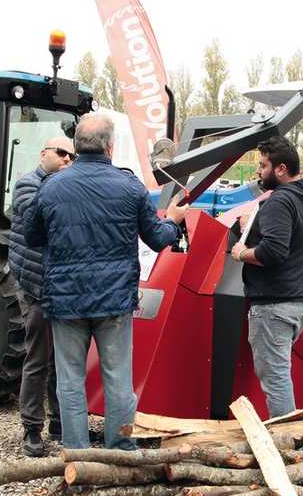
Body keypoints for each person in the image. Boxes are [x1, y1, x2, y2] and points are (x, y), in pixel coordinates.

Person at [23, 113, 188, 450]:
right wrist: (172, 220)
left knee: (69, 380)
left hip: (66, 301)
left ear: (77, 147)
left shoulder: (51, 186)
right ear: (111, 147)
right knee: (118, 379)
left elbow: (32, 235)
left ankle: (78, 456)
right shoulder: (130, 187)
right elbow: (158, 239)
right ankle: (121, 450)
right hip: (114, 302)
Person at [230, 136, 303, 419]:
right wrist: (254, 224)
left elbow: (273, 251)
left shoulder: (280, 201)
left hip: (273, 305)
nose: (258, 171)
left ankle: (285, 444)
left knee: (276, 378)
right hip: (298, 300)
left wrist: (241, 252)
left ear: (281, 169)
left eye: (263, 165)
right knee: (279, 373)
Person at [9, 136, 74, 457]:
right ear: (44, 153)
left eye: (72, 156)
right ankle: (31, 428)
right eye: (61, 153)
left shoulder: (61, 185)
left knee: (61, 360)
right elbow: (44, 218)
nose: (67, 159)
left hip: (60, 287)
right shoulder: (26, 186)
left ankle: (60, 423)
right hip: (36, 287)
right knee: (38, 359)